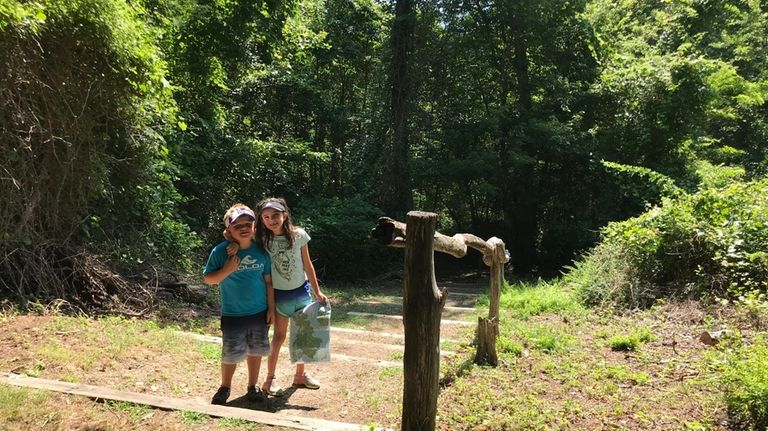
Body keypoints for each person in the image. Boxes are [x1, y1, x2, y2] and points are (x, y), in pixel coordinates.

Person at [254, 197, 328, 396]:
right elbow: (236, 236)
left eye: (276, 215)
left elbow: (307, 263)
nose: (271, 220)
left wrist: (317, 290)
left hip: (301, 292)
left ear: (284, 215)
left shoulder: (298, 235)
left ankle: (300, 375)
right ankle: (270, 379)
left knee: (302, 335)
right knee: (278, 336)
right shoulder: (261, 239)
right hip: (279, 296)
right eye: (266, 217)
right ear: (261, 220)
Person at [203, 204, 275, 405]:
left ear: (254, 226)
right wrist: (227, 270)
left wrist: (271, 308)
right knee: (230, 354)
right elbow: (208, 279)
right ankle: (225, 387)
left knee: (256, 351)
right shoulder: (220, 252)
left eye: (247, 223)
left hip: (259, 312)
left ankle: (253, 386)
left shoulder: (262, 251)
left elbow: (268, 282)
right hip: (233, 313)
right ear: (228, 231)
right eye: (237, 225)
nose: (243, 228)